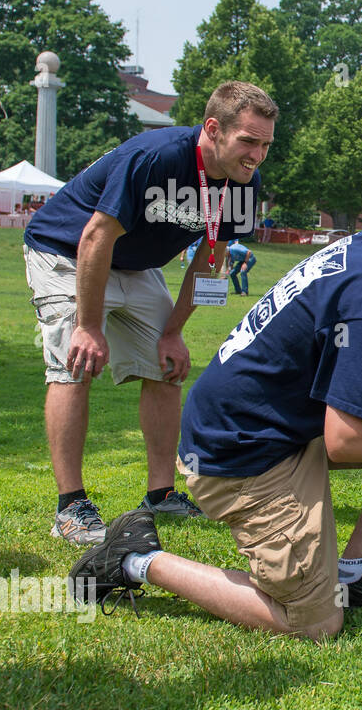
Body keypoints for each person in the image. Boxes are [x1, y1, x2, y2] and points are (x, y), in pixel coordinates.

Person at [69, 188, 362, 638]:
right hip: (243, 452)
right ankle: (135, 558)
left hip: (286, 421)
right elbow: (347, 441)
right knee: (312, 621)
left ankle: (355, 573)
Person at [23, 80, 276, 546]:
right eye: (248, 141)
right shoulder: (157, 156)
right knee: (73, 366)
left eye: (265, 145)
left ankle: (160, 493)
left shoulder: (243, 181)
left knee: (167, 368)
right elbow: (95, 237)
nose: (256, 155)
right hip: (67, 252)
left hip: (134, 265)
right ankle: (70, 506)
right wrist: (88, 326)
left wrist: (173, 332)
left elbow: (209, 260)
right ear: (213, 128)